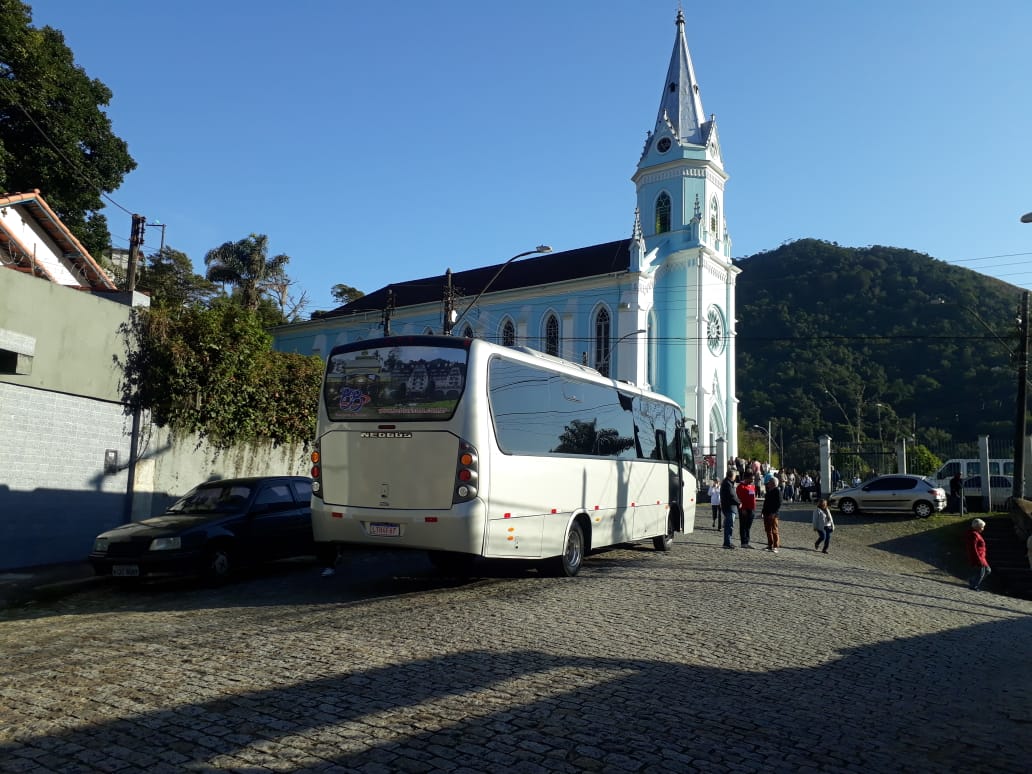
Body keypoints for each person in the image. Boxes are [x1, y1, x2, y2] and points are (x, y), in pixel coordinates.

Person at [965, 518, 991, 591]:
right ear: (977, 527)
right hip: (978, 556)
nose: (983, 529)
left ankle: (972, 581)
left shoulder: (976, 534)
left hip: (982, 556)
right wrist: (978, 559)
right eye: (982, 527)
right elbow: (973, 548)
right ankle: (974, 585)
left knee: (988, 570)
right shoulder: (973, 535)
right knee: (981, 572)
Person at [719, 468, 740, 549]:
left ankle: (728, 542)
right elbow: (732, 496)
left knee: (729, 525)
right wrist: (739, 502)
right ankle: (727, 543)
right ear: (732, 476)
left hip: (728, 507)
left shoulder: (727, 483)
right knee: (729, 526)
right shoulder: (727, 483)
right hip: (730, 507)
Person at [736, 473, 757, 548]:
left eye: (753, 479)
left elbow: (753, 497)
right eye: (751, 479)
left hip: (752, 509)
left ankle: (747, 542)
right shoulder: (740, 487)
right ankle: (743, 542)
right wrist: (743, 508)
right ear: (746, 478)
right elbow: (739, 499)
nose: (753, 480)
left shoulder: (752, 486)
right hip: (744, 509)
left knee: (748, 526)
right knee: (743, 526)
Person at [761, 477, 782, 553]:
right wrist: (762, 512)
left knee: (774, 530)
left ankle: (775, 546)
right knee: (768, 530)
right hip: (766, 513)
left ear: (773, 483)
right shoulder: (769, 491)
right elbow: (765, 503)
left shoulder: (777, 491)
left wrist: (773, 513)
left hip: (773, 514)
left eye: (769, 482)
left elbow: (778, 504)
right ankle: (770, 545)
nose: (768, 483)